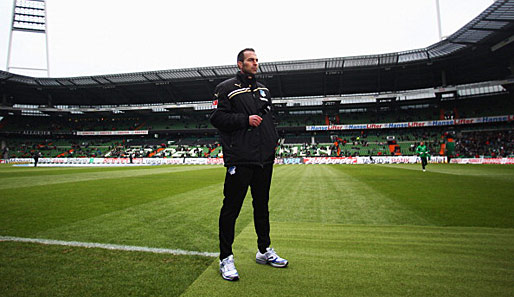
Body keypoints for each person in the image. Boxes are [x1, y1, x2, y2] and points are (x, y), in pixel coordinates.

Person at [210, 48, 288, 281]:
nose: (255, 63)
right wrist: (245, 119)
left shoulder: (264, 90)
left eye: (257, 60)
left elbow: (269, 120)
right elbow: (217, 118)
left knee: (262, 207)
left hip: (264, 159)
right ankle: (226, 258)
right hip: (240, 158)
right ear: (239, 64)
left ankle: (264, 251)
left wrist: (271, 142)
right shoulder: (226, 88)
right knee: (231, 208)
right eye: (251, 60)